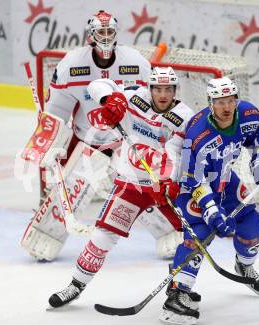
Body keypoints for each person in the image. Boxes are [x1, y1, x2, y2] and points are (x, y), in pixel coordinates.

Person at [20, 10, 180, 261]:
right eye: (100, 32)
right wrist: (49, 143)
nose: (105, 37)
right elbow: (56, 111)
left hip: (125, 141)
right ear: (91, 35)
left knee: (143, 185)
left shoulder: (135, 62)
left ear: (117, 33)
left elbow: (152, 104)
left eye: (109, 31)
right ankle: (45, 236)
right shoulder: (72, 64)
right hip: (87, 140)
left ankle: (171, 232)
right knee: (71, 188)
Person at [47, 67, 196, 308]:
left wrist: (169, 180)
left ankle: (181, 287)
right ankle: (75, 285)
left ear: (175, 90)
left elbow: (178, 151)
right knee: (102, 236)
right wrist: (110, 99)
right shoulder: (134, 97)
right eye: (158, 88)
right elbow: (97, 85)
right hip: (130, 184)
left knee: (193, 235)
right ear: (150, 88)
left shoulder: (185, 116)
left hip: (167, 188)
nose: (163, 94)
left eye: (168, 89)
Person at [159, 77, 259, 325]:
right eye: (220, 102)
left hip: (224, 178)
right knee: (199, 235)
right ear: (210, 103)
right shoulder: (199, 133)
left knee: (251, 223)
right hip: (191, 186)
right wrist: (213, 212)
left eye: (230, 101)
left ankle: (244, 265)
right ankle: (176, 294)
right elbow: (195, 181)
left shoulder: (248, 114)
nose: (226, 107)